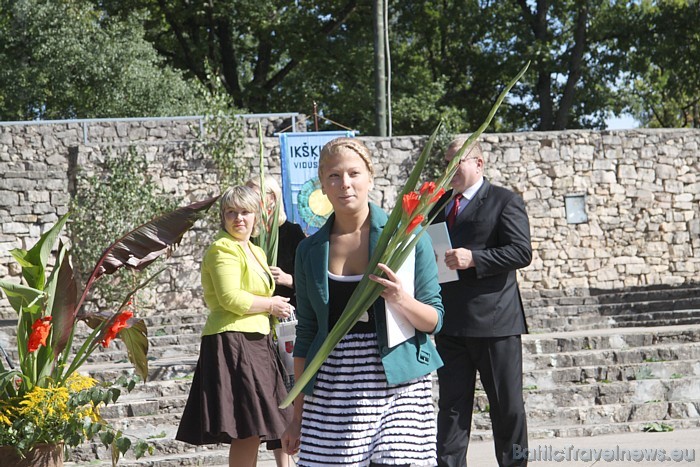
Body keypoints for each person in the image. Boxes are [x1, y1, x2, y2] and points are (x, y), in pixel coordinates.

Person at [281, 137, 445, 466]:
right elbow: (307, 334)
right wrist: (296, 415)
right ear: (322, 186)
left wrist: (400, 298)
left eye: (354, 173)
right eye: (334, 176)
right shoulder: (308, 251)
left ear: (370, 176)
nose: (345, 184)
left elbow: (434, 320)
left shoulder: (407, 238)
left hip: (400, 382)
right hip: (332, 387)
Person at [430, 138, 532, 467]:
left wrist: (474, 258)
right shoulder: (437, 205)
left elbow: (521, 252)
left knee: (507, 407)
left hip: (494, 323)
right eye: (446, 162)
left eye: (456, 161)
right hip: (450, 322)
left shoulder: (504, 201)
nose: (450, 169)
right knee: (452, 407)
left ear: (478, 163)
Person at [175, 185, 293, 467]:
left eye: (245, 212)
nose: (238, 218)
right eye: (231, 212)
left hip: (257, 340)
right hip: (233, 341)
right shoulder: (221, 248)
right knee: (247, 427)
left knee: (256, 427)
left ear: (256, 218)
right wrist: (271, 305)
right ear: (223, 217)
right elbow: (230, 298)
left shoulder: (255, 250)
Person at [245, 175, 306, 467]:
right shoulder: (248, 236)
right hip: (258, 324)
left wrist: (287, 279)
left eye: (259, 195)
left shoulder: (292, 232)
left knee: (291, 392)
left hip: (288, 324)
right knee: (271, 397)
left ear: (273, 198)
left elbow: (310, 280)